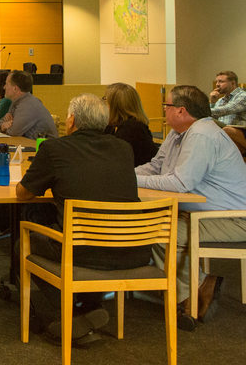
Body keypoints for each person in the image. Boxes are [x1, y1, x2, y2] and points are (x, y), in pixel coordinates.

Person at [16, 94, 149, 344]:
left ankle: (67, 316)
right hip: (133, 248)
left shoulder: (54, 148)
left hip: (82, 250)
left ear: (72, 120)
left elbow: (24, 194)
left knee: (23, 244)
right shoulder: (123, 148)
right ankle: (89, 305)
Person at [136, 84, 246, 330]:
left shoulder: (201, 135)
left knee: (161, 234)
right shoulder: (178, 133)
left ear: (181, 110)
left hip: (240, 221)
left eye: (167, 105)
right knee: (155, 229)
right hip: (208, 215)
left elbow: (180, 183)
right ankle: (198, 287)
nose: (164, 109)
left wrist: (128, 181)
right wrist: (123, 174)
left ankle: (190, 293)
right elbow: (156, 166)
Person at [104, 82, 157, 166]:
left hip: (139, 175)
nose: (103, 103)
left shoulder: (132, 128)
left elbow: (115, 159)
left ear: (115, 104)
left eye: (105, 99)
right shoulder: (113, 125)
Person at [0, 70, 57, 140]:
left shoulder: (29, 105)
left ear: (15, 88)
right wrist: (3, 125)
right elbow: (1, 122)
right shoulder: (16, 102)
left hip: (44, 148)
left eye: (6, 84)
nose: (4, 87)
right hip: (29, 145)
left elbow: (13, 132)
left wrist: (4, 126)